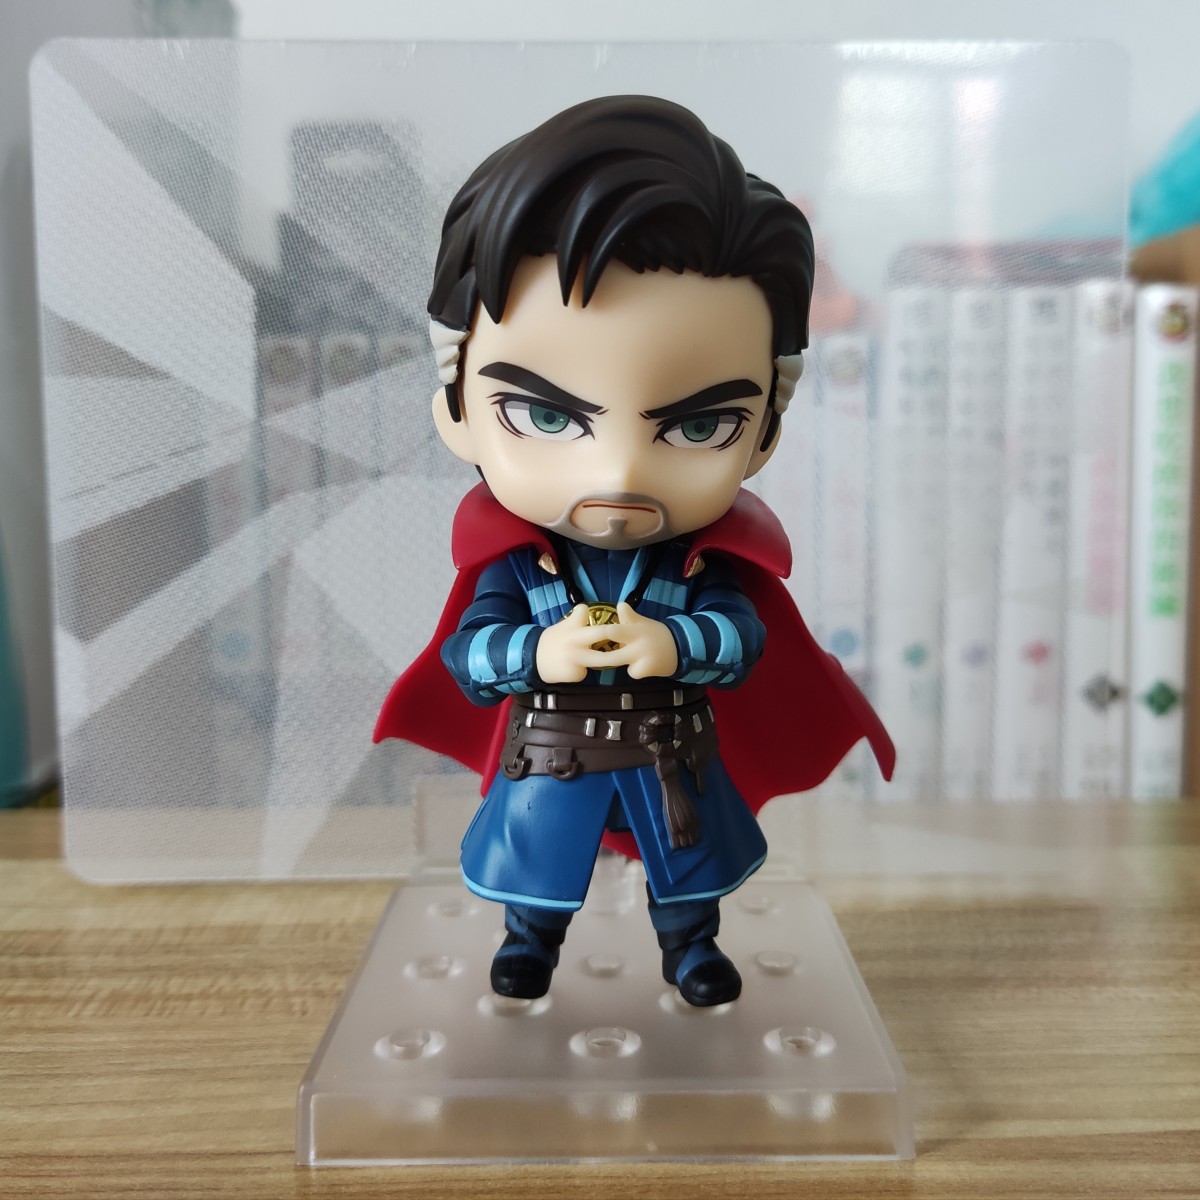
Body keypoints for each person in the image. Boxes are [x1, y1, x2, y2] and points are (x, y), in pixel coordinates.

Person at [375, 95, 893, 1007]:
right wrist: (541, 651)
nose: (618, 472)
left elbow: (740, 637)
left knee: (684, 868)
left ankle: (690, 948)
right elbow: (471, 654)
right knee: (539, 868)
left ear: (764, 436)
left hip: (668, 752)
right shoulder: (519, 565)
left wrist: (675, 643)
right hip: (554, 755)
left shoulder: (698, 565)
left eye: (698, 425)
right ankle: (529, 941)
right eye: (545, 417)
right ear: (456, 410)